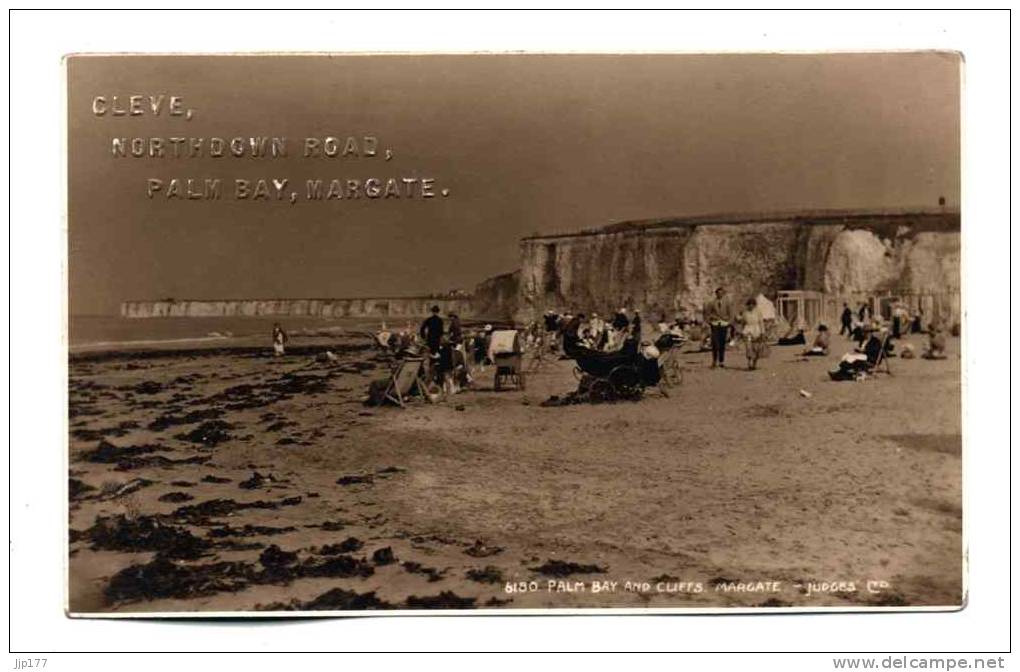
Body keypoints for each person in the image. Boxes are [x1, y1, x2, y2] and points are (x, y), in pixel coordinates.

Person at [702, 287, 734, 368]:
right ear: (716, 294)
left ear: (723, 294)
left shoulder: (727, 303)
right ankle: (714, 361)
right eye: (718, 293)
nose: (720, 294)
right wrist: (709, 321)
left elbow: (731, 313)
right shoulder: (712, 303)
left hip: (724, 324)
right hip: (715, 324)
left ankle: (721, 361)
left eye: (721, 293)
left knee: (722, 343)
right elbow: (707, 313)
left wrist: (729, 323)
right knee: (715, 343)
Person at [740, 298, 766, 370]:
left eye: (752, 304)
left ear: (754, 305)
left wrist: (763, 333)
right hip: (747, 331)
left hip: (756, 331)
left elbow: (761, 323)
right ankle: (749, 362)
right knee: (748, 347)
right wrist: (742, 331)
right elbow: (742, 323)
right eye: (749, 304)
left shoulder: (758, 312)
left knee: (756, 348)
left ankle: (754, 363)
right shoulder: (745, 313)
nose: (751, 306)